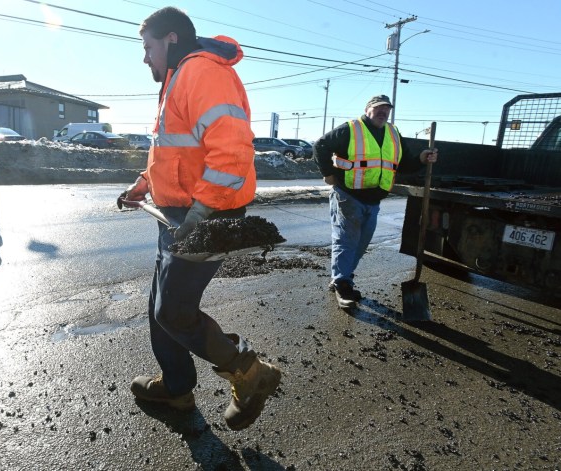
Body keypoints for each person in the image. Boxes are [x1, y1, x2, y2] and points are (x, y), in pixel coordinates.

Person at [116, 6, 281, 431]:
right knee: (160, 309)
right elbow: (175, 153)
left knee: (173, 311)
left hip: (207, 217)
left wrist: (200, 214)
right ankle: (177, 387)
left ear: (171, 39)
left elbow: (232, 154)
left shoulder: (203, 72)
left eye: (148, 47)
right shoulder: (177, 78)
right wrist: (144, 183)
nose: (144, 57)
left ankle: (249, 371)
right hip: (176, 214)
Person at [313, 95, 438, 310]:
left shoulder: (393, 133)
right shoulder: (351, 129)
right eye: (378, 108)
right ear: (368, 109)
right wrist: (328, 174)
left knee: (361, 242)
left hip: (374, 199)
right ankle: (343, 284)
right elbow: (320, 145)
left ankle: (342, 278)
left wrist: (422, 158)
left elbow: (403, 162)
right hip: (348, 195)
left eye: (386, 109)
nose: (383, 112)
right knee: (347, 240)